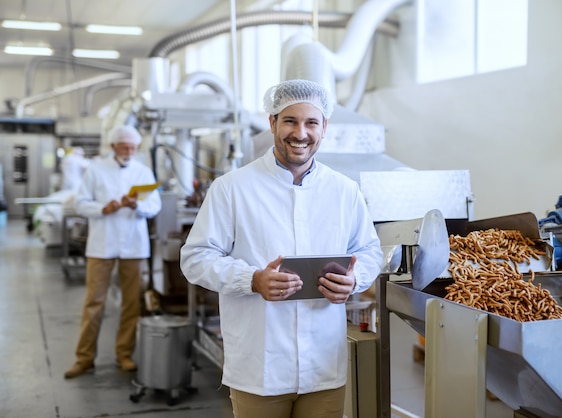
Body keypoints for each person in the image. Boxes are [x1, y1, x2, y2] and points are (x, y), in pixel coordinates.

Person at [180, 79, 383, 418]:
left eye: (311, 123)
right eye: (290, 121)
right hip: (260, 367)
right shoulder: (232, 188)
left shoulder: (344, 190)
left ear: (324, 127)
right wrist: (252, 279)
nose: (300, 133)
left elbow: (369, 250)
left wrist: (355, 278)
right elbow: (195, 257)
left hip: (324, 365)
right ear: (272, 122)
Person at [64, 125, 162, 379]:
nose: (128, 152)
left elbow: (154, 205)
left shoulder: (143, 171)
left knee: (132, 303)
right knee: (94, 302)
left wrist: (136, 204)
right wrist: (102, 208)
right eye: (124, 147)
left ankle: (124, 354)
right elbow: (80, 204)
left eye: (132, 148)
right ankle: (84, 358)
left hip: (134, 245)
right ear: (113, 147)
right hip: (101, 245)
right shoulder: (96, 170)